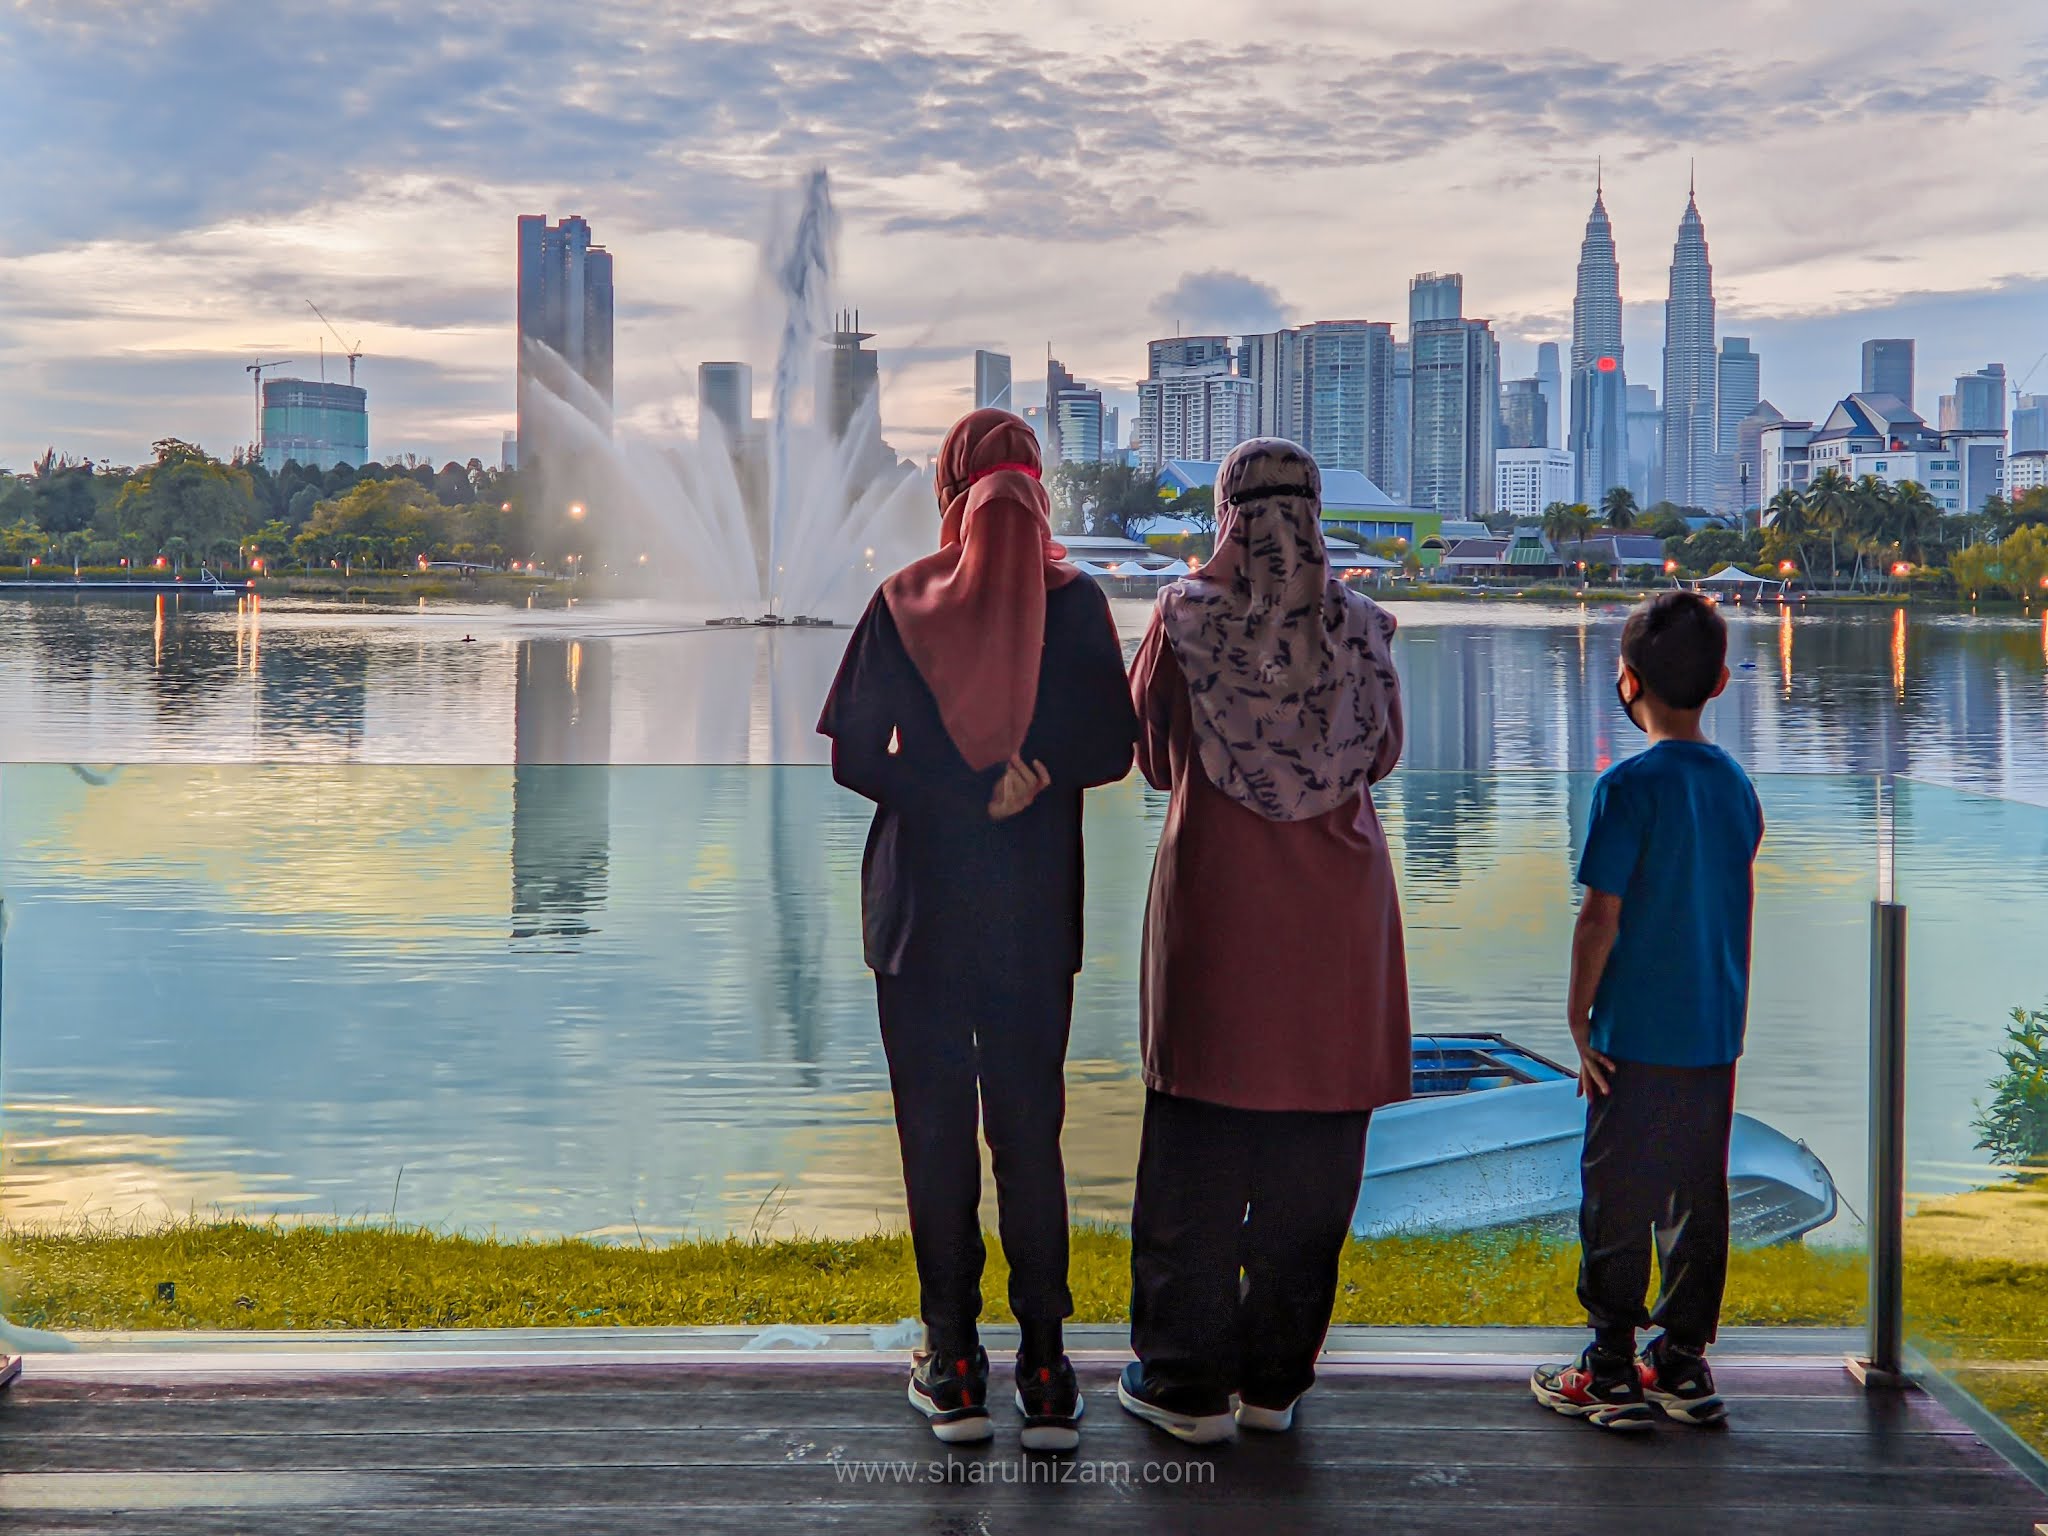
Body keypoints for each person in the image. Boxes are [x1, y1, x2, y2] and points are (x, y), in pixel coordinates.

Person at [817, 407, 1136, 1451]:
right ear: (1037, 490)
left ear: (949, 494)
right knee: (1027, 1131)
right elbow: (1113, 744)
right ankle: (1045, 1368)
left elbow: (855, 757)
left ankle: (951, 1359)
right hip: (1032, 916)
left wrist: (951, 796)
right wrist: (1030, 778)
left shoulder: (903, 601)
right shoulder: (1077, 604)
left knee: (933, 1131)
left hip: (916, 912)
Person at [1117, 438, 1410, 1445]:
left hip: (1221, 906)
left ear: (1224, 516)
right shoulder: (1367, 628)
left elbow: (1151, 757)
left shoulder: (1182, 618)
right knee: (1316, 1149)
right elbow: (1382, 754)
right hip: (1338, 917)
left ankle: (1183, 1383)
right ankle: (1274, 1381)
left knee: (1196, 1142)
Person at [1531, 590, 1762, 1431]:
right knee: (1700, 1196)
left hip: (1632, 1036)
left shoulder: (1625, 787)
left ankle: (1610, 1366)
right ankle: (1685, 1361)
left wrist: (1577, 1016)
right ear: (1721, 684)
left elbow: (1601, 917)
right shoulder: (1736, 786)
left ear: (1625, 682)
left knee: (1617, 1196)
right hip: (1712, 1034)